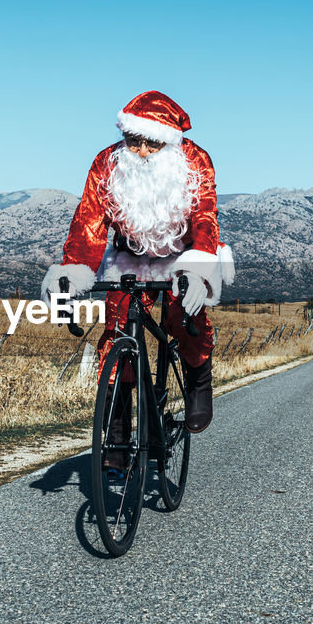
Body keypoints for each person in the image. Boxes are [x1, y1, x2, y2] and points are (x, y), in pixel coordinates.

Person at [41, 90, 234, 450]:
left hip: (182, 253)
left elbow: (205, 217)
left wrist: (199, 268)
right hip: (128, 254)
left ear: (170, 141)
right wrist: (72, 271)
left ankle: (198, 378)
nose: (142, 152)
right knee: (116, 328)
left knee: (186, 315)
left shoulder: (195, 161)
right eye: (133, 142)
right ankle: (116, 431)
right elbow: (89, 222)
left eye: (153, 144)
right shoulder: (106, 163)